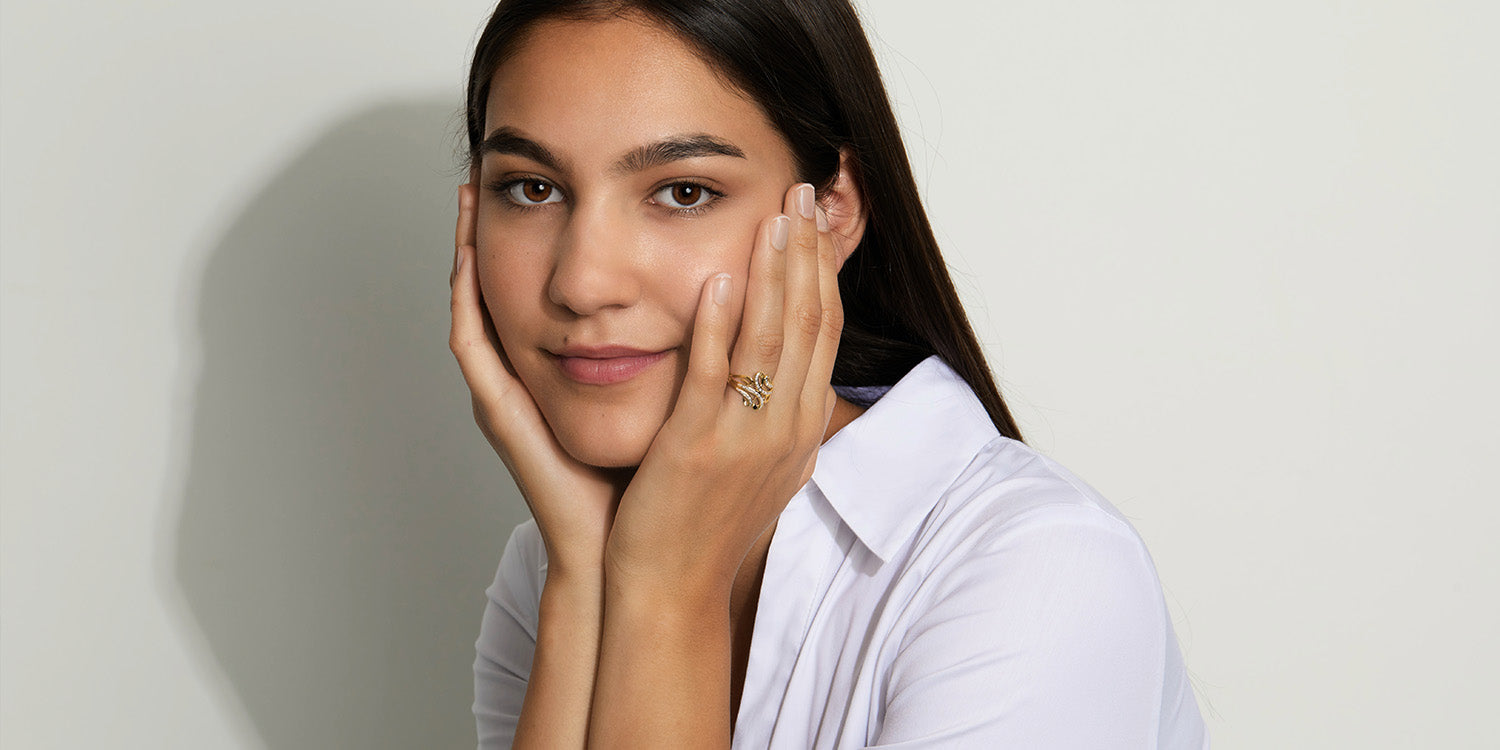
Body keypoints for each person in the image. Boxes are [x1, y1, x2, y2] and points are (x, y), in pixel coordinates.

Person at [449, 1, 1208, 747]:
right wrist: (582, 581)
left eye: (684, 193)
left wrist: (665, 592)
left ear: (833, 209)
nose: (583, 283)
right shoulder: (556, 558)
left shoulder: (1036, 571)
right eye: (532, 188)